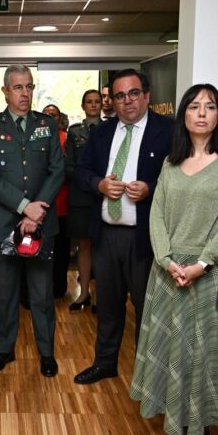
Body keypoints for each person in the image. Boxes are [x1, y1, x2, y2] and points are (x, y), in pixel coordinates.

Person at [129, 83, 218, 435]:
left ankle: (199, 427)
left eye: (210, 106)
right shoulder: (171, 162)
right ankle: (175, 423)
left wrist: (203, 263)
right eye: (194, 106)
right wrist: (166, 260)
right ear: (183, 115)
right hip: (168, 272)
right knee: (172, 349)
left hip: (208, 273)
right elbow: (157, 214)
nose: (202, 113)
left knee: (202, 353)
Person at [72, 69, 172, 385]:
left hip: (144, 237)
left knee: (146, 308)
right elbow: (81, 172)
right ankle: (105, 363)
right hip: (106, 234)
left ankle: (148, 376)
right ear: (111, 101)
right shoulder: (102, 132)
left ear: (147, 95)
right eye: (119, 96)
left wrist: (151, 189)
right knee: (108, 307)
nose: (127, 101)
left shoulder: (168, 131)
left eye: (133, 93)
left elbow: (182, 177)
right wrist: (99, 184)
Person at [0, 64, 64, 377]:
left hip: (41, 223)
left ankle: (46, 353)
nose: (25, 93)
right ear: (5, 91)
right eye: (18, 87)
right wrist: (26, 207)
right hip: (4, 225)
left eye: (29, 86)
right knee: (5, 294)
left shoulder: (46, 124)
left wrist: (36, 212)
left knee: (41, 294)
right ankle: (4, 350)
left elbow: (57, 170)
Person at [65, 89, 103, 311]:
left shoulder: (111, 128)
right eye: (89, 101)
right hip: (80, 195)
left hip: (104, 195)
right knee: (84, 245)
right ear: (83, 106)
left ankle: (99, 296)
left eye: (97, 101)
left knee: (101, 247)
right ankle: (84, 293)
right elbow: (69, 165)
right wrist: (90, 180)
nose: (93, 105)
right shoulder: (74, 132)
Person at [42, 104, 70, 299]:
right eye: (46, 114)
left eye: (53, 115)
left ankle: (59, 288)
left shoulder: (66, 138)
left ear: (59, 118)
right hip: (40, 205)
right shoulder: (35, 137)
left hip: (62, 204)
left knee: (61, 251)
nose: (50, 117)